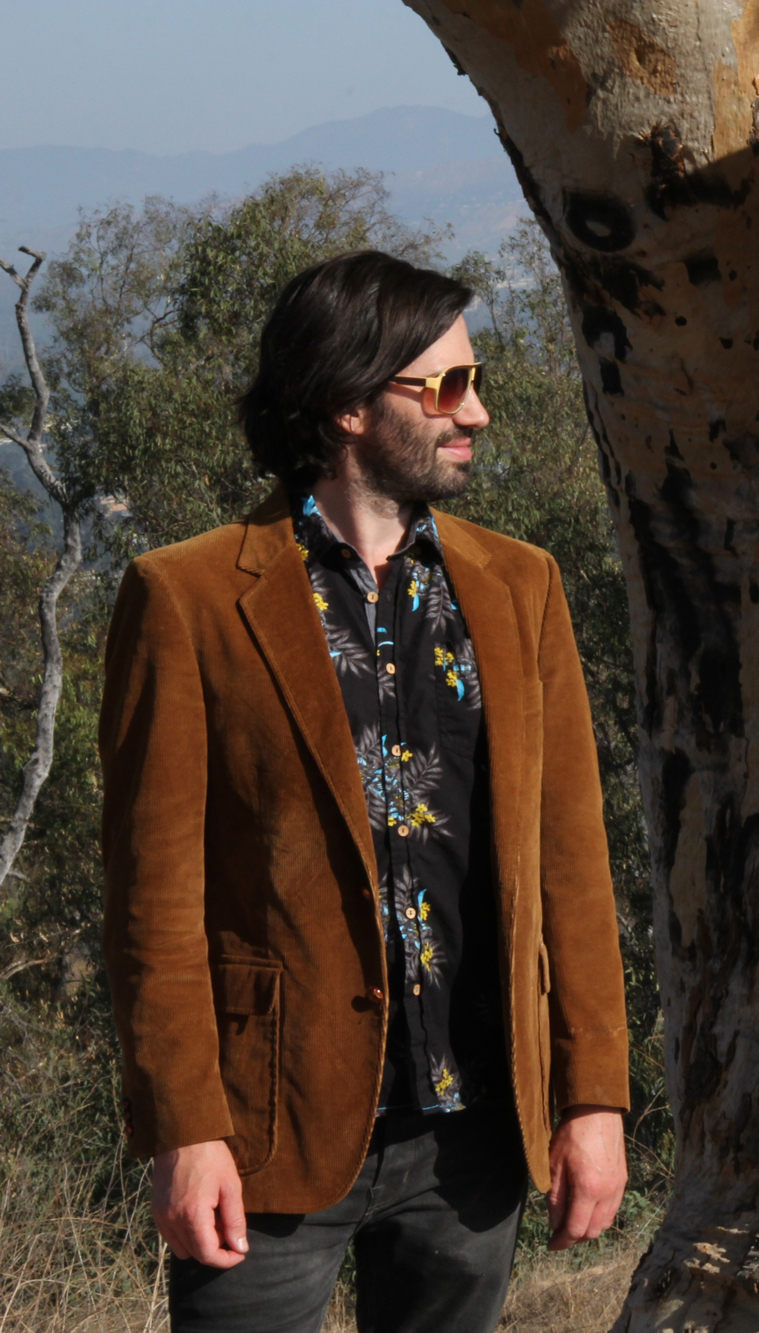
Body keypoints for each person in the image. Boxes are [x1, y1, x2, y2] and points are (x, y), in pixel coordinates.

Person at [100, 250, 631, 1333]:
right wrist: (183, 1125)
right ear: (348, 403)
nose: (475, 412)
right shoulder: (186, 597)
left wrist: (593, 1098)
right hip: (268, 1127)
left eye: (476, 382)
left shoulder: (520, 585)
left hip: (476, 1128)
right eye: (446, 386)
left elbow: (571, 869)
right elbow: (153, 901)